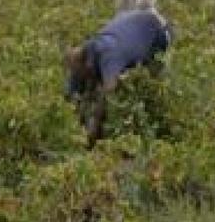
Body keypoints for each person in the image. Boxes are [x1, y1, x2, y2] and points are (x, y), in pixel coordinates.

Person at [65, 9, 172, 145]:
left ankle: (151, 129)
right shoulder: (84, 54)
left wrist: (94, 131)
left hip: (158, 30)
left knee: (148, 84)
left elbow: (109, 91)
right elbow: (71, 94)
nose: (76, 76)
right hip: (131, 23)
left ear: (87, 64)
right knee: (90, 85)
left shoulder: (110, 54)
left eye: (79, 73)